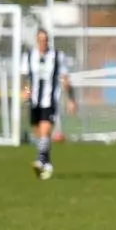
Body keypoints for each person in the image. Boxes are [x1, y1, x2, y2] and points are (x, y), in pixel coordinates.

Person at [21, 28, 74, 180]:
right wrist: (26, 91)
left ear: (48, 41)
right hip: (34, 101)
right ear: (36, 40)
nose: (43, 43)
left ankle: (40, 161)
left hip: (50, 101)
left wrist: (70, 99)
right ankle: (47, 164)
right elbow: (24, 77)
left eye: (45, 40)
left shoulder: (57, 56)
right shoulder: (29, 56)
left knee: (45, 132)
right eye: (40, 40)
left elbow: (65, 79)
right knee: (40, 136)